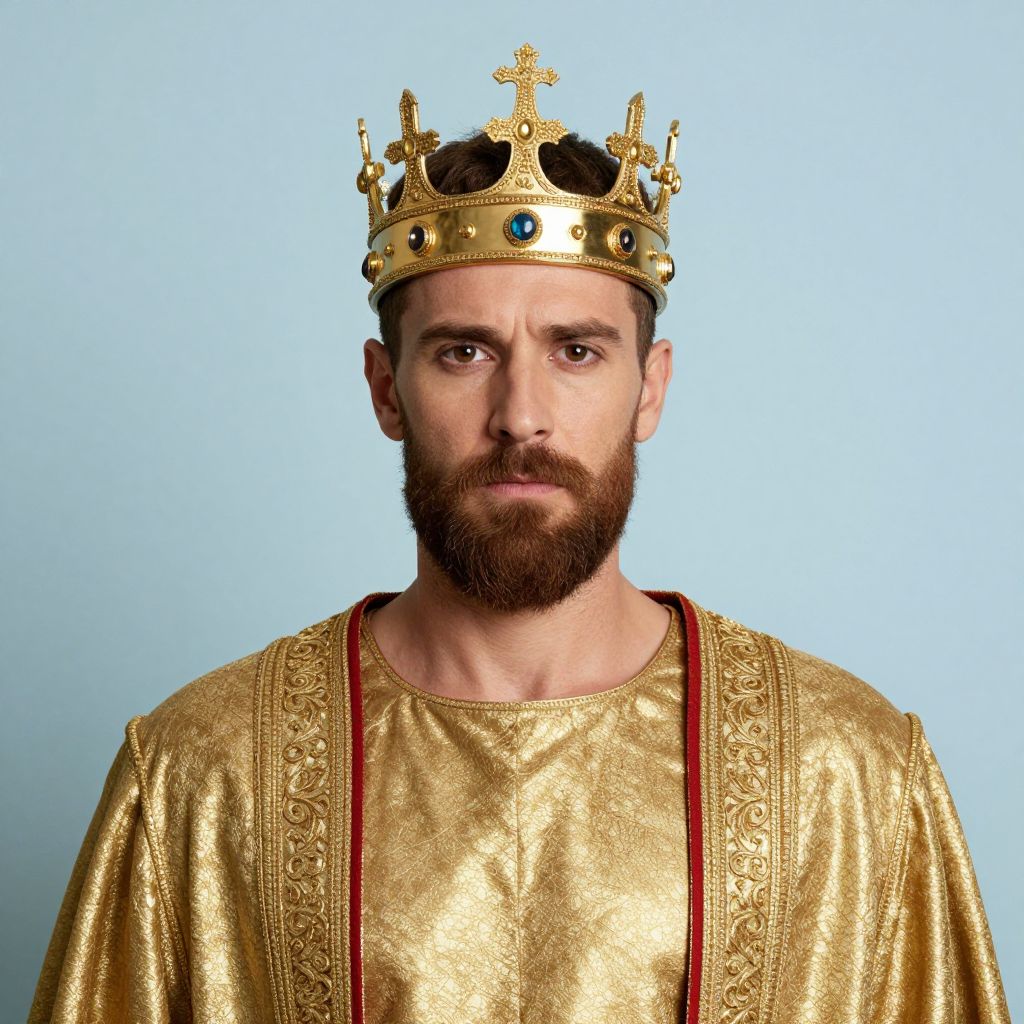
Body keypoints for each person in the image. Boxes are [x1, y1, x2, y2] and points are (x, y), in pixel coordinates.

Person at [29, 43, 1009, 1024]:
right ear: (386, 389)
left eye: (575, 351)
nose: (521, 414)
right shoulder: (205, 772)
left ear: (649, 387)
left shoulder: (849, 771)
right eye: (465, 352)